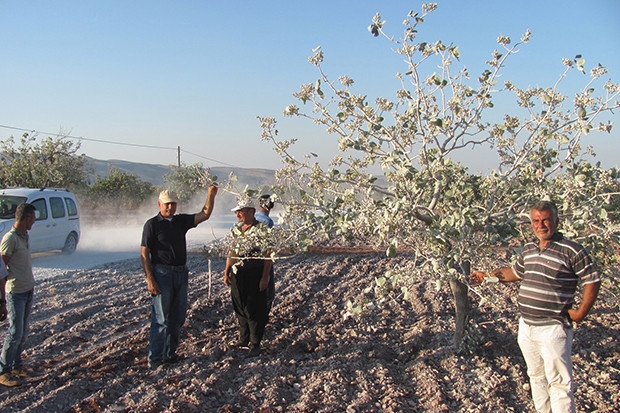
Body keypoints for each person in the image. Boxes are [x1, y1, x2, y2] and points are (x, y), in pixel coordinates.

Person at [470, 200, 601, 413]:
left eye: (546, 220)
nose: (541, 225)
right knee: (536, 376)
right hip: (527, 326)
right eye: (536, 221)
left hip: (553, 328)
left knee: (559, 384)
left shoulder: (572, 250)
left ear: (557, 221)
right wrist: (486, 276)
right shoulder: (529, 249)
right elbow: (515, 272)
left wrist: (581, 312)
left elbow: (592, 279)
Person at [140, 185, 218, 370]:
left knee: (177, 317)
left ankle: (170, 354)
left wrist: (210, 195)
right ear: (159, 204)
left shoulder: (180, 221)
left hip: (181, 274)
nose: (170, 208)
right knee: (160, 318)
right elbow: (144, 253)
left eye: (173, 204)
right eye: (167, 204)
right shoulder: (152, 225)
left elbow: (204, 214)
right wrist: (150, 279)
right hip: (162, 273)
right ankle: (156, 358)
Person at [223, 199, 272, 357]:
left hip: (254, 273)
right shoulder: (236, 230)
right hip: (238, 274)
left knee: (254, 307)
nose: (238, 214)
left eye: (241, 211)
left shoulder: (262, 230)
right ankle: (243, 339)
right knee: (239, 305)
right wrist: (227, 270)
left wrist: (265, 277)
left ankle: (255, 342)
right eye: (237, 212)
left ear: (251, 212)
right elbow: (231, 251)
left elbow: (268, 255)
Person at [0, 203, 37, 387]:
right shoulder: (10, 239)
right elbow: (1, 270)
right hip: (15, 292)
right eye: (33, 219)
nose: (34, 222)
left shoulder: (25, 236)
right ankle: (3, 371)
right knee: (14, 333)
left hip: (28, 289)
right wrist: (2, 299)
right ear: (26, 218)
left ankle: (17, 365)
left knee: (23, 333)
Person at [255, 194, 276, 314]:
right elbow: (268, 246)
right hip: (263, 258)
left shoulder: (254, 217)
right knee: (268, 291)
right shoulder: (267, 221)